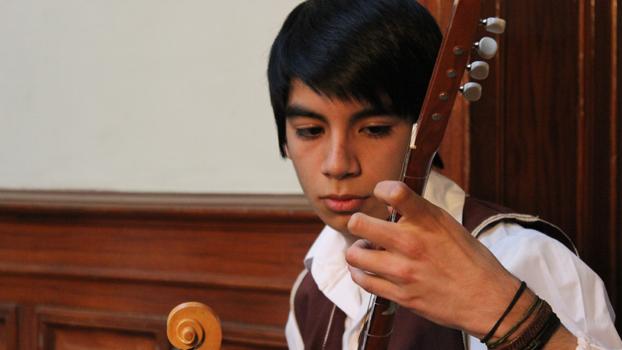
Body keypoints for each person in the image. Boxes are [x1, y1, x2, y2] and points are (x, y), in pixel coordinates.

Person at [266, 0, 622, 349]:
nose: (338, 164)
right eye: (310, 131)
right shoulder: (311, 290)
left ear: (424, 129)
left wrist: (508, 314)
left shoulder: (521, 258)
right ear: (284, 139)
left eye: (374, 129)